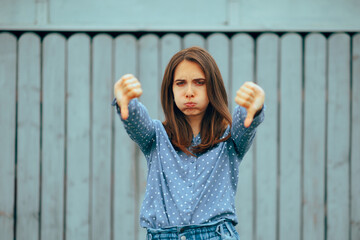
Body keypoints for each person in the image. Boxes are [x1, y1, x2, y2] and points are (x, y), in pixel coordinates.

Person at [112, 46, 265, 240]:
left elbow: (246, 122)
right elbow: (136, 120)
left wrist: (253, 107)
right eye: (180, 83)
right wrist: (126, 103)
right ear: (171, 90)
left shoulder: (230, 138)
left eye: (200, 82)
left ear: (213, 87)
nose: (189, 92)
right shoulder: (156, 137)